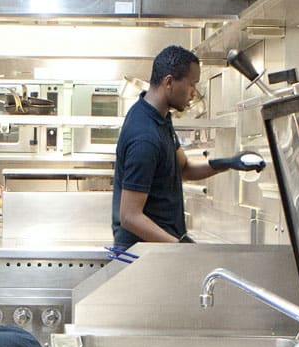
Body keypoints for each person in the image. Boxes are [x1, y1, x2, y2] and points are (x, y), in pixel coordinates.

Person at [111, 45, 266, 249]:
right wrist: (182, 246)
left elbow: (184, 169)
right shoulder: (145, 137)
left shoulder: (159, 118)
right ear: (169, 82)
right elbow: (130, 216)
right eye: (192, 84)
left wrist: (230, 162)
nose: (194, 93)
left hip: (158, 249)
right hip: (140, 255)